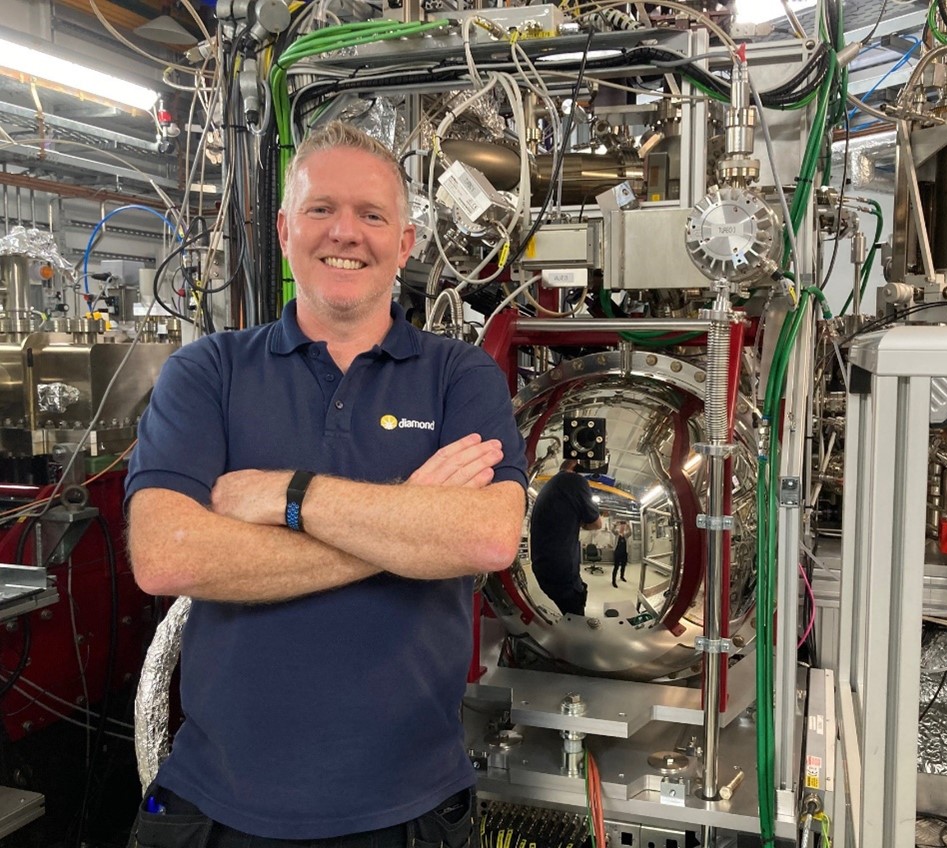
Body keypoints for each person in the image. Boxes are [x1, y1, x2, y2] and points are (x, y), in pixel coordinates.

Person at [125, 120, 527, 848]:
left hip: (411, 810)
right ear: (284, 230)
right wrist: (407, 525)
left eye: (373, 215)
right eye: (321, 210)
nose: (346, 233)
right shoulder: (208, 372)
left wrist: (287, 497)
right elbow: (168, 555)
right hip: (219, 808)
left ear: (404, 244)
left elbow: (487, 536)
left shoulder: (458, 376)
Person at [528, 460, 602, 616]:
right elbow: (597, 524)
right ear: (577, 465)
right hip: (562, 572)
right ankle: (577, 640)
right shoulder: (574, 480)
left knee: (572, 607)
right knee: (576, 620)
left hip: (545, 568)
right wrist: (583, 523)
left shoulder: (552, 484)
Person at [611, 520, 631, 588]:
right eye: (621, 526)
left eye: (623, 526)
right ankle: (613, 581)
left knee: (623, 566)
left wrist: (628, 526)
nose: (622, 527)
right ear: (619, 527)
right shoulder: (617, 533)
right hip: (617, 552)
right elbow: (612, 530)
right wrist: (615, 524)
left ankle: (622, 577)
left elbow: (630, 533)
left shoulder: (626, 535)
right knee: (616, 567)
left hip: (624, 553)